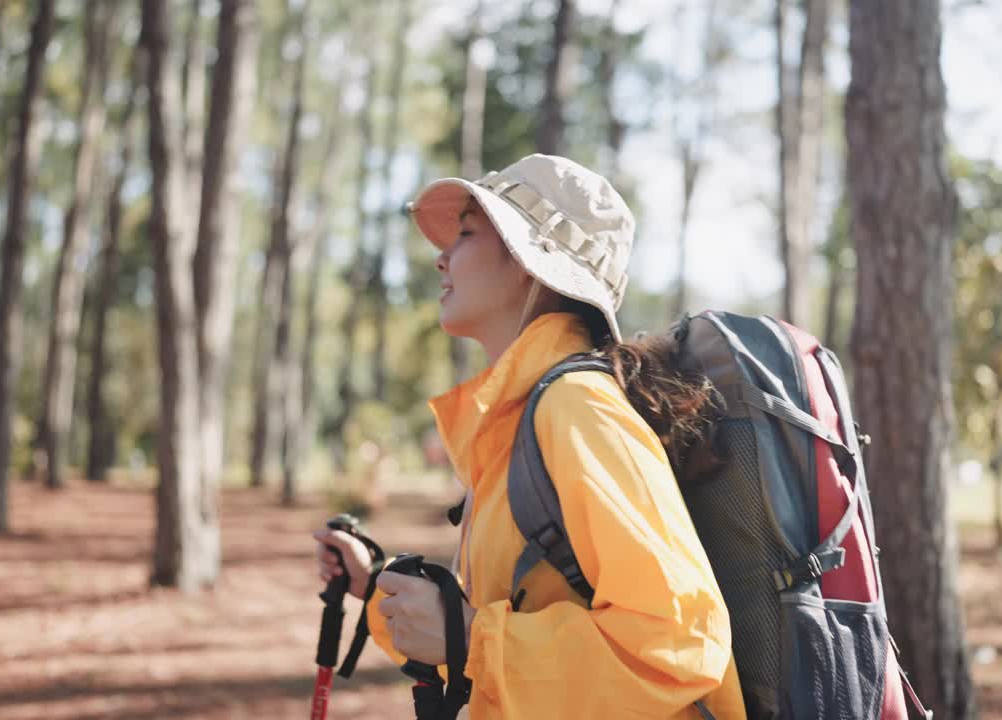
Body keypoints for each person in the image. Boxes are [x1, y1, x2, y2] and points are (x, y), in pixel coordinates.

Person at [312, 154, 746, 718]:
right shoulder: (523, 418)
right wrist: (378, 591)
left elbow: (679, 643)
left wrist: (471, 635)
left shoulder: (577, 408)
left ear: (528, 261)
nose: (441, 258)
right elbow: (511, 649)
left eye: (466, 233)